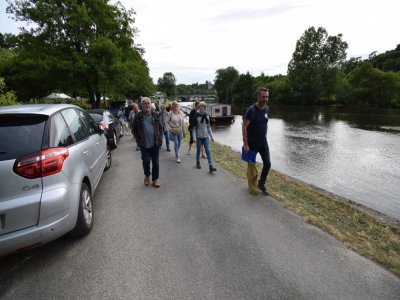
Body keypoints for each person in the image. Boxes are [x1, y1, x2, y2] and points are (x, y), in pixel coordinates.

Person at [242, 87, 271, 195]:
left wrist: (265, 135)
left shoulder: (267, 109)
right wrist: (246, 144)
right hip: (252, 144)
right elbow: (244, 126)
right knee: (252, 167)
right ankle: (252, 186)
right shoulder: (251, 110)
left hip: (263, 143)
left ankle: (261, 184)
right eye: (263, 97)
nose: (265, 99)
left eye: (267, 97)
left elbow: (266, 123)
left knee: (267, 164)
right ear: (258, 97)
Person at [132, 97, 163, 188]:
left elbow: (161, 128)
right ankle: (146, 175)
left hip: (155, 144)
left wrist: (160, 139)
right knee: (146, 162)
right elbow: (134, 130)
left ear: (150, 105)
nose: (147, 105)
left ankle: (155, 179)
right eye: (145, 103)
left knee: (156, 163)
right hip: (144, 144)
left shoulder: (155, 115)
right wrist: (138, 142)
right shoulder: (138, 116)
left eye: (148, 103)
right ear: (141, 105)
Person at [192, 101, 217, 173]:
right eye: (200, 108)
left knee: (208, 151)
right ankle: (198, 162)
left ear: (205, 109)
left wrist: (211, 137)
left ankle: (210, 166)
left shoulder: (207, 116)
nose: (201, 110)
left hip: (206, 136)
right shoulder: (196, 116)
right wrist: (194, 138)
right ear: (199, 108)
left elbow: (209, 127)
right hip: (198, 137)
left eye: (203, 108)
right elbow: (194, 128)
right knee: (198, 150)